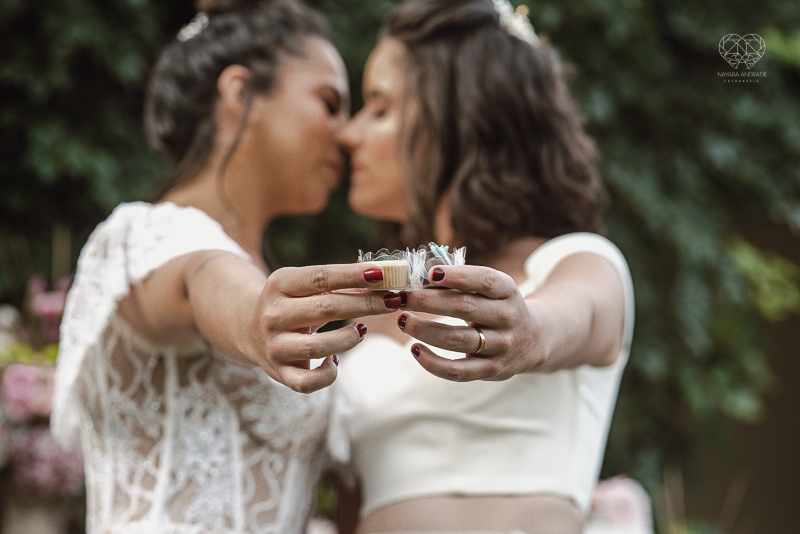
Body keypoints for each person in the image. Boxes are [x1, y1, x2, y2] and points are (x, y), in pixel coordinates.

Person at [50, 1, 398, 532]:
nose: (347, 134)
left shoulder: (263, 277)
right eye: (329, 103)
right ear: (241, 93)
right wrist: (253, 318)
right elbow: (203, 282)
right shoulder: (147, 237)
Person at [334, 0, 635, 533]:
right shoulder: (373, 307)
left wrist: (528, 331)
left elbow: (574, 316)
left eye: (379, 109)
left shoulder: (576, 264)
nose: (348, 135)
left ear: (458, 122)